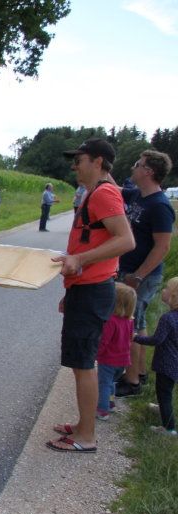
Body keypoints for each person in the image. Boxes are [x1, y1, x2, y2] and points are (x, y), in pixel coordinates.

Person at [48, 138, 135, 453]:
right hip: (85, 289)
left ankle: (86, 437)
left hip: (93, 289)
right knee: (80, 361)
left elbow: (126, 241)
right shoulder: (97, 193)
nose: (74, 165)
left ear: (97, 161)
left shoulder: (104, 193)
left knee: (83, 363)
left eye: (79, 159)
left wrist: (80, 261)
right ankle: (84, 424)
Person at [114, 150, 175, 398]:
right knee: (137, 324)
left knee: (129, 324)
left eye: (138, 164)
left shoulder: (160, 206)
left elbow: (163, 247)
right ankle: (137, 374)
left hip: (142, 276)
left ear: (148, 172)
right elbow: (114, 188)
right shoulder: (139, 195)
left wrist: (138, 276)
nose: (133, 168)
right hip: (133, 272)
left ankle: (132, 382)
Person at [134, 277, 178, 437]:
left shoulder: (167, 318)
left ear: (174, 297)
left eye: (167, 289)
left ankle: (169, 428)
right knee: (166, 391)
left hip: (167, 364)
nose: (163, 291)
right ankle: (162, 408)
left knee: (164, 393)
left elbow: (156, 340)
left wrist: (135, 337)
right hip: (175, 363)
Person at [95, 283, 136, 421]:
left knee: (104, 384)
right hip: (123, 360)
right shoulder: (129, 321)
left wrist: (97, 354)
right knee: (112, 382)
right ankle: (110, 403)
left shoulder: (111, 321)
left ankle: (102, 410)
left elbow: (104, 341)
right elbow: (130, 339)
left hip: (108, 359)